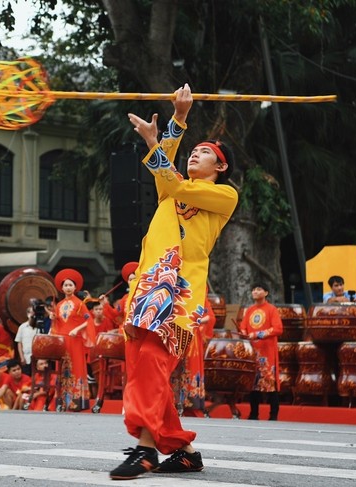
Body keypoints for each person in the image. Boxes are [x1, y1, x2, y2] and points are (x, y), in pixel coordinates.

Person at [110, 84, 238, 480]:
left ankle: (146, 450)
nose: (196, 154)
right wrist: (165, 134)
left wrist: (172, 130)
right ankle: (185, 451)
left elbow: (174, 181)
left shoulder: (224, 196)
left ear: (220, 168)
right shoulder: (172, 192)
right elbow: (168, 180)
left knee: (151, 364)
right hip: (147, 289)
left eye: (206, 153)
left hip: (178, 295)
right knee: (142, 368)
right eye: (193, 150)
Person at [239, 283, 284, 421]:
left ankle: (273, 415)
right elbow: (243, 327)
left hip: (268, 352)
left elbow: (278, 329)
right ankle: (254, 414)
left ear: (266, 293)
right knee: (254, 383)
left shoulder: (272, 310)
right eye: (253, 290)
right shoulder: (250, 310)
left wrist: (257, 334)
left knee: (270, 383)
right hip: (253, 352)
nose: (255, 292)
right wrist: (244, 333)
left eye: (258, 289)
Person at [51, 268, 93, 411]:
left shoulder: (80, 304)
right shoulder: (58, 305)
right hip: (62, 341)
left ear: (75, 287)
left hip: (75, 340)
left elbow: (88, 320)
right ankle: (62, 402)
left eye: (70, 285)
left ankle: (76, 402)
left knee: (76, 368)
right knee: (62, 369)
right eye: (65, 285)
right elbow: (57, 325)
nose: (68, 287)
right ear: (62, 288)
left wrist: (77, 329)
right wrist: (53, 319)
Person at [171, 292, 216, 416]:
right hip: (175, 335)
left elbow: (210, 317)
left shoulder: (200, 297)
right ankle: (172, 402)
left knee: (189, 368)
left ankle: (189, 403)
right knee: (174, 370)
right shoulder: (174, 294)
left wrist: (196, 320)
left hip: (191, 338)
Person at [15, 306, 39, 375]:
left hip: (37, 358)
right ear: (28, 314)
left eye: (34, 313)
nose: (33, 314)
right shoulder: (22, 327)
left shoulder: (39, 327)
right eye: (31, 312)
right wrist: (22, 357)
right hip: (26, 358)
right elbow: (19, 343)